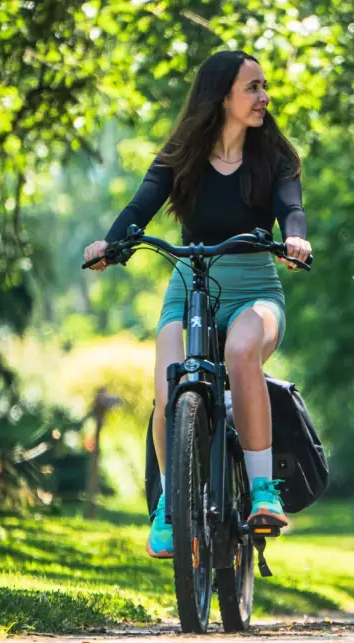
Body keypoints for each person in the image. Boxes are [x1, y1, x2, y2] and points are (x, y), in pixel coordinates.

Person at [83, 50, 312, 558]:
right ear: (221, 95)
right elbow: (140, 206)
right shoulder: (180, 154)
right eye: (252, 88)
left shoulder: (276, 156)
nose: (263, 97)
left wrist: (297, 239)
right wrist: (110, 243)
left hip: (255, 285)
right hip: (189, 283)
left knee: (241, 351)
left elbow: (291, 209)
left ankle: (261, 492)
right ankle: (168, 506)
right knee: (169, 387)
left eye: (263, 86)